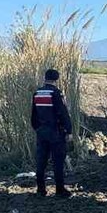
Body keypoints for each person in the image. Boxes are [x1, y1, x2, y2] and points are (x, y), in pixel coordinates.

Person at [31, 68, 73, 197]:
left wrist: (37, 128)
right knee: (58, 161)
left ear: (45, 78)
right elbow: (63, 113)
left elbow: (33, 115)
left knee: (41, 161)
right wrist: (68, 130)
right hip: (56, 132)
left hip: (42, 132)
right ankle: (60, 190)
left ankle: (40, 190)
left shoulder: (37, 93)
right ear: (56, 79)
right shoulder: (56, 93)